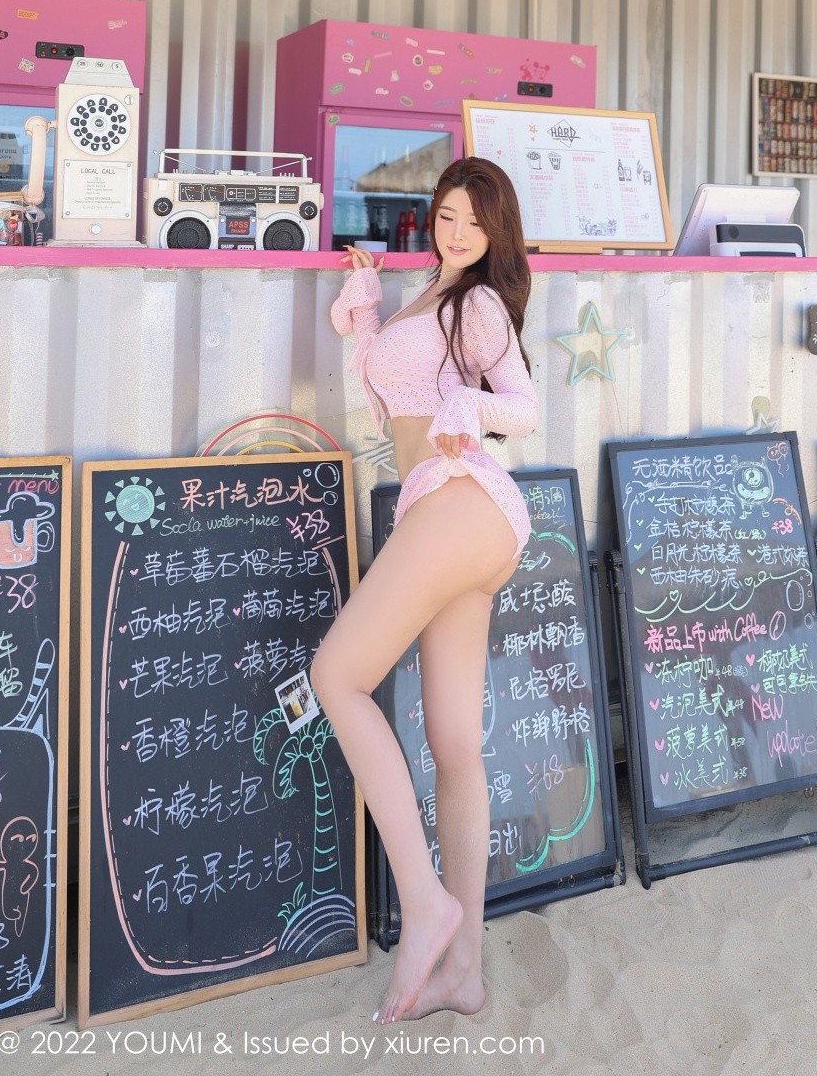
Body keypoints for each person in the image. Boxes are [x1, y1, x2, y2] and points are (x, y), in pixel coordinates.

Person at [311, 157, 535, 1026]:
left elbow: (523, 406)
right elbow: (394, 397)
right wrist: (365, 315)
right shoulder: (427, 296)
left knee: (337, 677)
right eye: (448, 216)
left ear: (497, 231)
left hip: (460, 501)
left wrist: (469, 410)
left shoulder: (476, 305)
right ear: (430, 217)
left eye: (476, 222)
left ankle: (425, 900)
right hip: (453, 517)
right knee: (454, 745)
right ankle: (463, 973)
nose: (459, 233)